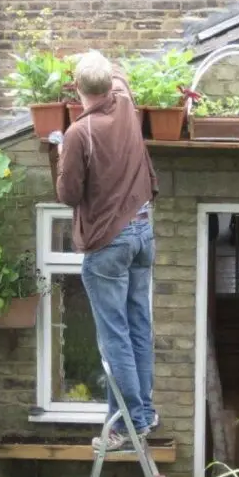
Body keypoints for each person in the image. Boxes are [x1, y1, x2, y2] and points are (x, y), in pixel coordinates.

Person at [54, 50, 158, 450]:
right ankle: (124, 427)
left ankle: (137, 418)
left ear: (77, 89)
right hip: (143, 233)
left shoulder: (79, 134)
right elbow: (117, 72)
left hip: (109, 244)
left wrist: (62, 154)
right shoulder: (127, 102)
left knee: (114, 336)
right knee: (137, 327)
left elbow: (68, 194)